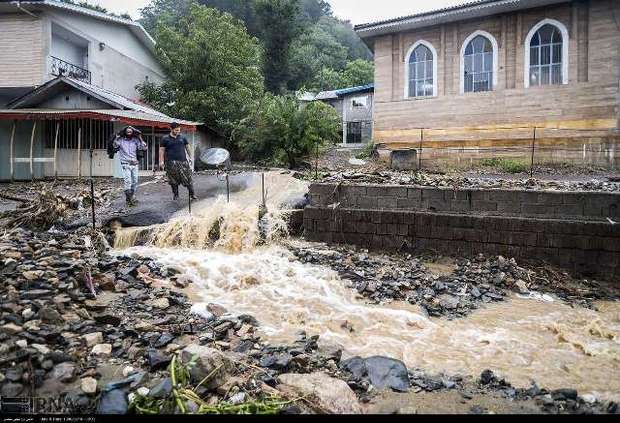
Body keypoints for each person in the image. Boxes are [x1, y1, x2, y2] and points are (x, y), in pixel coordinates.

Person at [159, 122, 197, 201]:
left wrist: (191, 157)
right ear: (171, 129)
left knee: (188, 178)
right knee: (173, 180)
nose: (178, 132)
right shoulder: (165, 138)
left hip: (183, 161)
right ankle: (176, 195)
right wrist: (161, 161)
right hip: (170, 162)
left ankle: (192, 194)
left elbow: (188, 147)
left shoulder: (183, 138)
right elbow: (161, 151)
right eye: (176, 130)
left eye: (179, 130)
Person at [113, 126, 147, 207]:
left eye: (130, 132)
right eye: (127, 132)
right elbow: (115, 146)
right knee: (128, 181)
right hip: (125, 163)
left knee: (135, 181)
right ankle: (129, 199)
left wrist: (140, 138)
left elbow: (144, 147)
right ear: (125, 132)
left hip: (134, 163)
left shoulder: (135, 140)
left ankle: (131, 196)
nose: (129, 133)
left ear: (132, 133)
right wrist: (116, 138)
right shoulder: (121, 140)